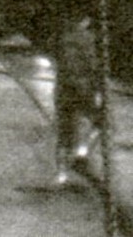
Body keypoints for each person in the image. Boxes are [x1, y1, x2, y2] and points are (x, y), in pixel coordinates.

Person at [55, 12, 101, 185]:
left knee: (64, 131)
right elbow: (92, 64)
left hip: (63, 88)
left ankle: (61, 175)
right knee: (101, 121)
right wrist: (97, 89)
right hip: (83, 86)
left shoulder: (63, 37)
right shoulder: (88, 38)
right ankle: (82, 152)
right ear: (86, 20)